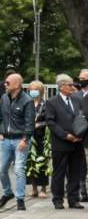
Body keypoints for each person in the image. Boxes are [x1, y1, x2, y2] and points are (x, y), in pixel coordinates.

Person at [39, 75, 86, 209]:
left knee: (76, 172)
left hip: (77, 142)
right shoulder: (52, 102)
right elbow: (51, 122)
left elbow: (82, 118)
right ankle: (58, 199)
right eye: (70, 85)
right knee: (59, 173)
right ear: (62, 86)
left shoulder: (77, 100)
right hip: (61, 143)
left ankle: (73, 199)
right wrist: (66, 135)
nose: (73, 87)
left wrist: (81, 134)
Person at [0, 71, 37, 212]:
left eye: (7, 83)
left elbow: (30, 123)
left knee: (19, 169)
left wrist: (25, 139)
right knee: (1, 170)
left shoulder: (27, 101)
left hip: (20, 140)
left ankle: (20, 199)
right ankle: (7, 193)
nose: (4, 85)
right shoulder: (4, 98)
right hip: (5, 140)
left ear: (17, 84)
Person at [27, 81, 52, 201]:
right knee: (31, 162)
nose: (33, 91)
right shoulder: (27, 103)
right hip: (29, 136)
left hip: (41, 136)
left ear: (41, 91)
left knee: (42, 162)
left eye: (36, 89)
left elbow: (50, 120)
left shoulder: (46, 104)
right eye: (32, 88)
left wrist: (39, 124)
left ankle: (43, 188)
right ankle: (33, 187)